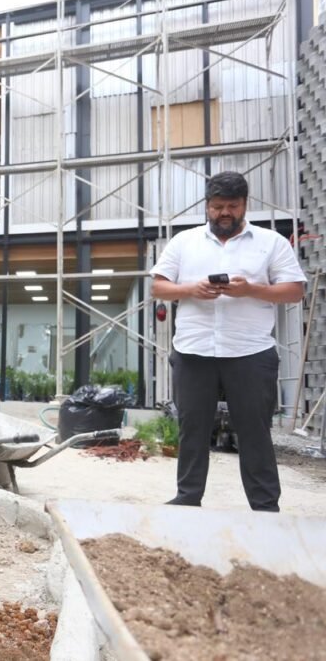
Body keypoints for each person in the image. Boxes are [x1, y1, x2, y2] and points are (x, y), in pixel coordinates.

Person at [150, 171, 305, 512]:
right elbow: (158, 287)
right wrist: (191, 289)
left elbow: (294, 290)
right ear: (207, 206)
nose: (224, 213)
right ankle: (187, 498)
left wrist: (251, 289)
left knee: (254, 431)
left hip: (250, 352)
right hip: (193, 351)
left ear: (244, 205)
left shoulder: (271, 243)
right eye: (217, 206)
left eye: (232, 206)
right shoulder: (183, 242)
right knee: (192, 428)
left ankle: (265, 506)